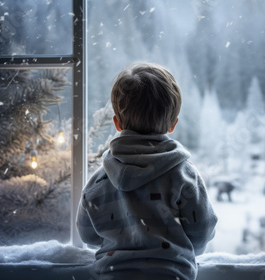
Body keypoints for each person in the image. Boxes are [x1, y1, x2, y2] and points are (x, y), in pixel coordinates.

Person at [77, 63, 217, 280]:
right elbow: (203, 229)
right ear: (173, 124)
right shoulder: (184, 175)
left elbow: (88, 235)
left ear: (116, 122)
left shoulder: (99, 181)